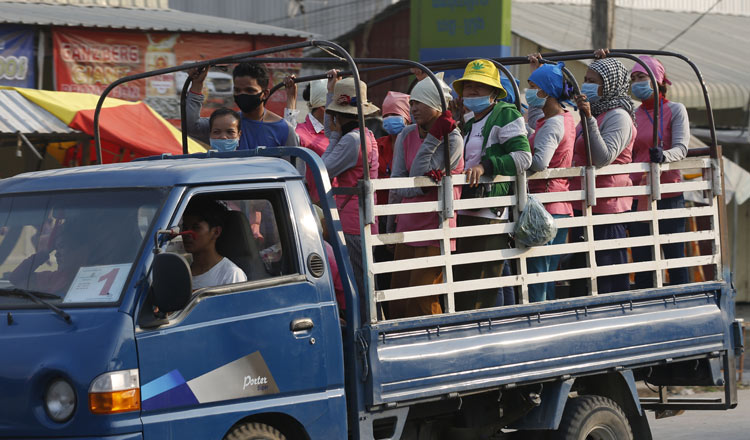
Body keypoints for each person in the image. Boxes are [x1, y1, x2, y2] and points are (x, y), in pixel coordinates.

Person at [452, 59, 532, 310]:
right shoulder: (469, 121)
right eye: (468, 86)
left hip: (490, 211)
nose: (473, 91)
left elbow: (523, 157)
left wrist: (486, 166)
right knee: (465, 284)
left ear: (494, 92)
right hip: (464, 209)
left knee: (482, 286)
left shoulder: (506, 113)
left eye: (481, 86)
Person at [386, 74, 464, 319]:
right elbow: (399, 182)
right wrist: (390, 224)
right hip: (407, 225)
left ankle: (435, 345)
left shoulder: (453, 139)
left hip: (435, 227)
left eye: (420, 102)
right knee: (397, 298)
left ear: (437, 106)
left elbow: (418, 172)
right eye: (412, 103)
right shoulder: (406, 135)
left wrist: (432, 138)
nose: (414, 108)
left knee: (423, 299)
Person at [569, 55, 637, 294]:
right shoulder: (596, 113)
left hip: (607, 206)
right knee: (580, 274)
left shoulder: (619, 116)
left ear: (608, 84)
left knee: (608, 275)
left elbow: (602, 157)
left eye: (592, 81)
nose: (586, 85)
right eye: (585, 80)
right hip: (582, 202)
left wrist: (587, 119)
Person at [626, 54, 690, 288]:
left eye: (641, 77)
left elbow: (682, 147)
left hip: (668, 194)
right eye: (633, 78)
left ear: (656, 79)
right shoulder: (633, 114)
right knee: (643, 259)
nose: (636, 83)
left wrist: (664, 156)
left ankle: (682, 304)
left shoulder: (676, 110)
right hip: (638, 194)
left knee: (674, 256)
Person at [321, 70, 379, 297]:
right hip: (358, 218)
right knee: (361, 281)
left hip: (352, 222)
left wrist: (334, 135)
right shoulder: (364, 134)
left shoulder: (351, 140)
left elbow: (323, 169)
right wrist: (330, 93)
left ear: (339, 115)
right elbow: (330, 133)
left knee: (357, 284)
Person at [524, 56, 576, 302]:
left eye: (534, 88)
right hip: (558, 204)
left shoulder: (553, 124)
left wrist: (518, 154)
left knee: (538, 274)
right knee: (546, 272)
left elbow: (539, 163)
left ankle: (539, 320)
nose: (529, 92)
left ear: (546, 92)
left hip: (546, 205)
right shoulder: (564, 118)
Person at [186, 63, 299, 150]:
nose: (242, 95)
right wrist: (197, 84)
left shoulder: (283, 129)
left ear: (265, 94)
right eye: (237, 90)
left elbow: (294, 171)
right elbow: (191, 126)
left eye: (250, 90)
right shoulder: (226, 124)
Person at [374, 91, 411, 290]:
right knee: (384, 276)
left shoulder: (414, 144)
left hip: (406, 216)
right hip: (380, 216)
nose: (389, 121)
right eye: (386, 116)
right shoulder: (378, 145)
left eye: (394, 115)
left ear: (408, 116)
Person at [181, 198, 247, 290]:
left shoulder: (231, 274)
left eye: (196, 228)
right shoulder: (182, 274)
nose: (186, 233)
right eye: (184, 227)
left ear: (216, 232)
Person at [283, 76, 330, 202]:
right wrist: (291, 98)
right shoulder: (301, 134)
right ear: (323, 109)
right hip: (314, 204)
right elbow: (289, 133)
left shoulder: (338, 133)